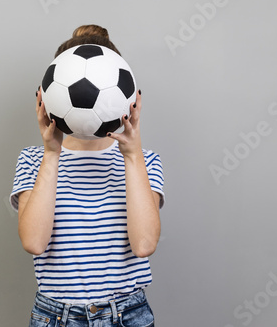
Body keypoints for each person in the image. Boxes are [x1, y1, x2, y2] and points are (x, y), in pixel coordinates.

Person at [10, 25, 165, 327]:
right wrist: (52, 152)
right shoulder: (33, 160)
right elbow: (34, 242)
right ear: (45, 96)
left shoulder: (145, 163)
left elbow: (144, 244)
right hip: (55, 316)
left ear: (131, 96)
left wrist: (133, 156)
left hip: (127, 315)